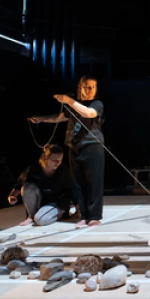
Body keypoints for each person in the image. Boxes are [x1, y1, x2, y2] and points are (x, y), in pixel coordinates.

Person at [29, 75, 105, 228]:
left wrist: (69, 100)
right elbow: (59, 117)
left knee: (93, 183)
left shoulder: (96, 104)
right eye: (87, 87)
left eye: (93, 87)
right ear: (80, 88)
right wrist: (41, 119)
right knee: (78, 183)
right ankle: (84, 216)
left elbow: (89, 113)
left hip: (92, 147)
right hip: (74, 147)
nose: (90, 90)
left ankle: (94, 216)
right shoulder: (74, 105)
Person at [8, 144, 73, 226]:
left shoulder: (64, 171)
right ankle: (31, 217)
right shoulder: (33, 170)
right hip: (40, 202)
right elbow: (20, 185)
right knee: (27, 187)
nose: (58, 163)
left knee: (41, 220)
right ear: (46, 158)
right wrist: (12, 196)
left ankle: (60, 215)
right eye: (55, 160)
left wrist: (78, 211)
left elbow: (72, 190)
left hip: (57, 203)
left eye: (60, 160)